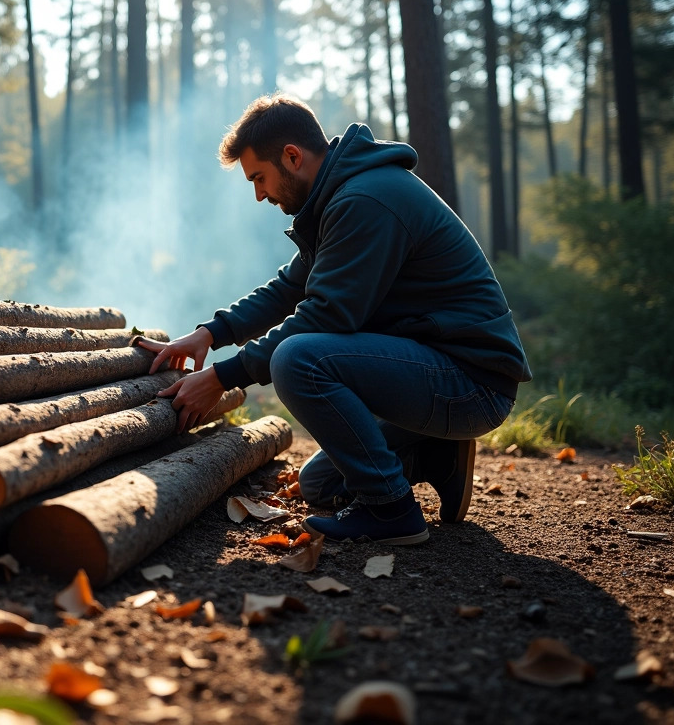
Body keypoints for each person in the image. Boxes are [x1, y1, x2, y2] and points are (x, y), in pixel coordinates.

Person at [137, 95, 532, 545]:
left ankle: (392, 514)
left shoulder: (366, 199)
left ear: (292, 156)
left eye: (259, 178)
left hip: (471, 384)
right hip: (436, 372)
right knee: (320, 485)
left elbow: (327, 314)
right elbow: (289, 288)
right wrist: (210, 334)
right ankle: (437, 455)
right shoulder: (339, 196)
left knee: (297, 358)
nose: (259, 194)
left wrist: (223, 377)